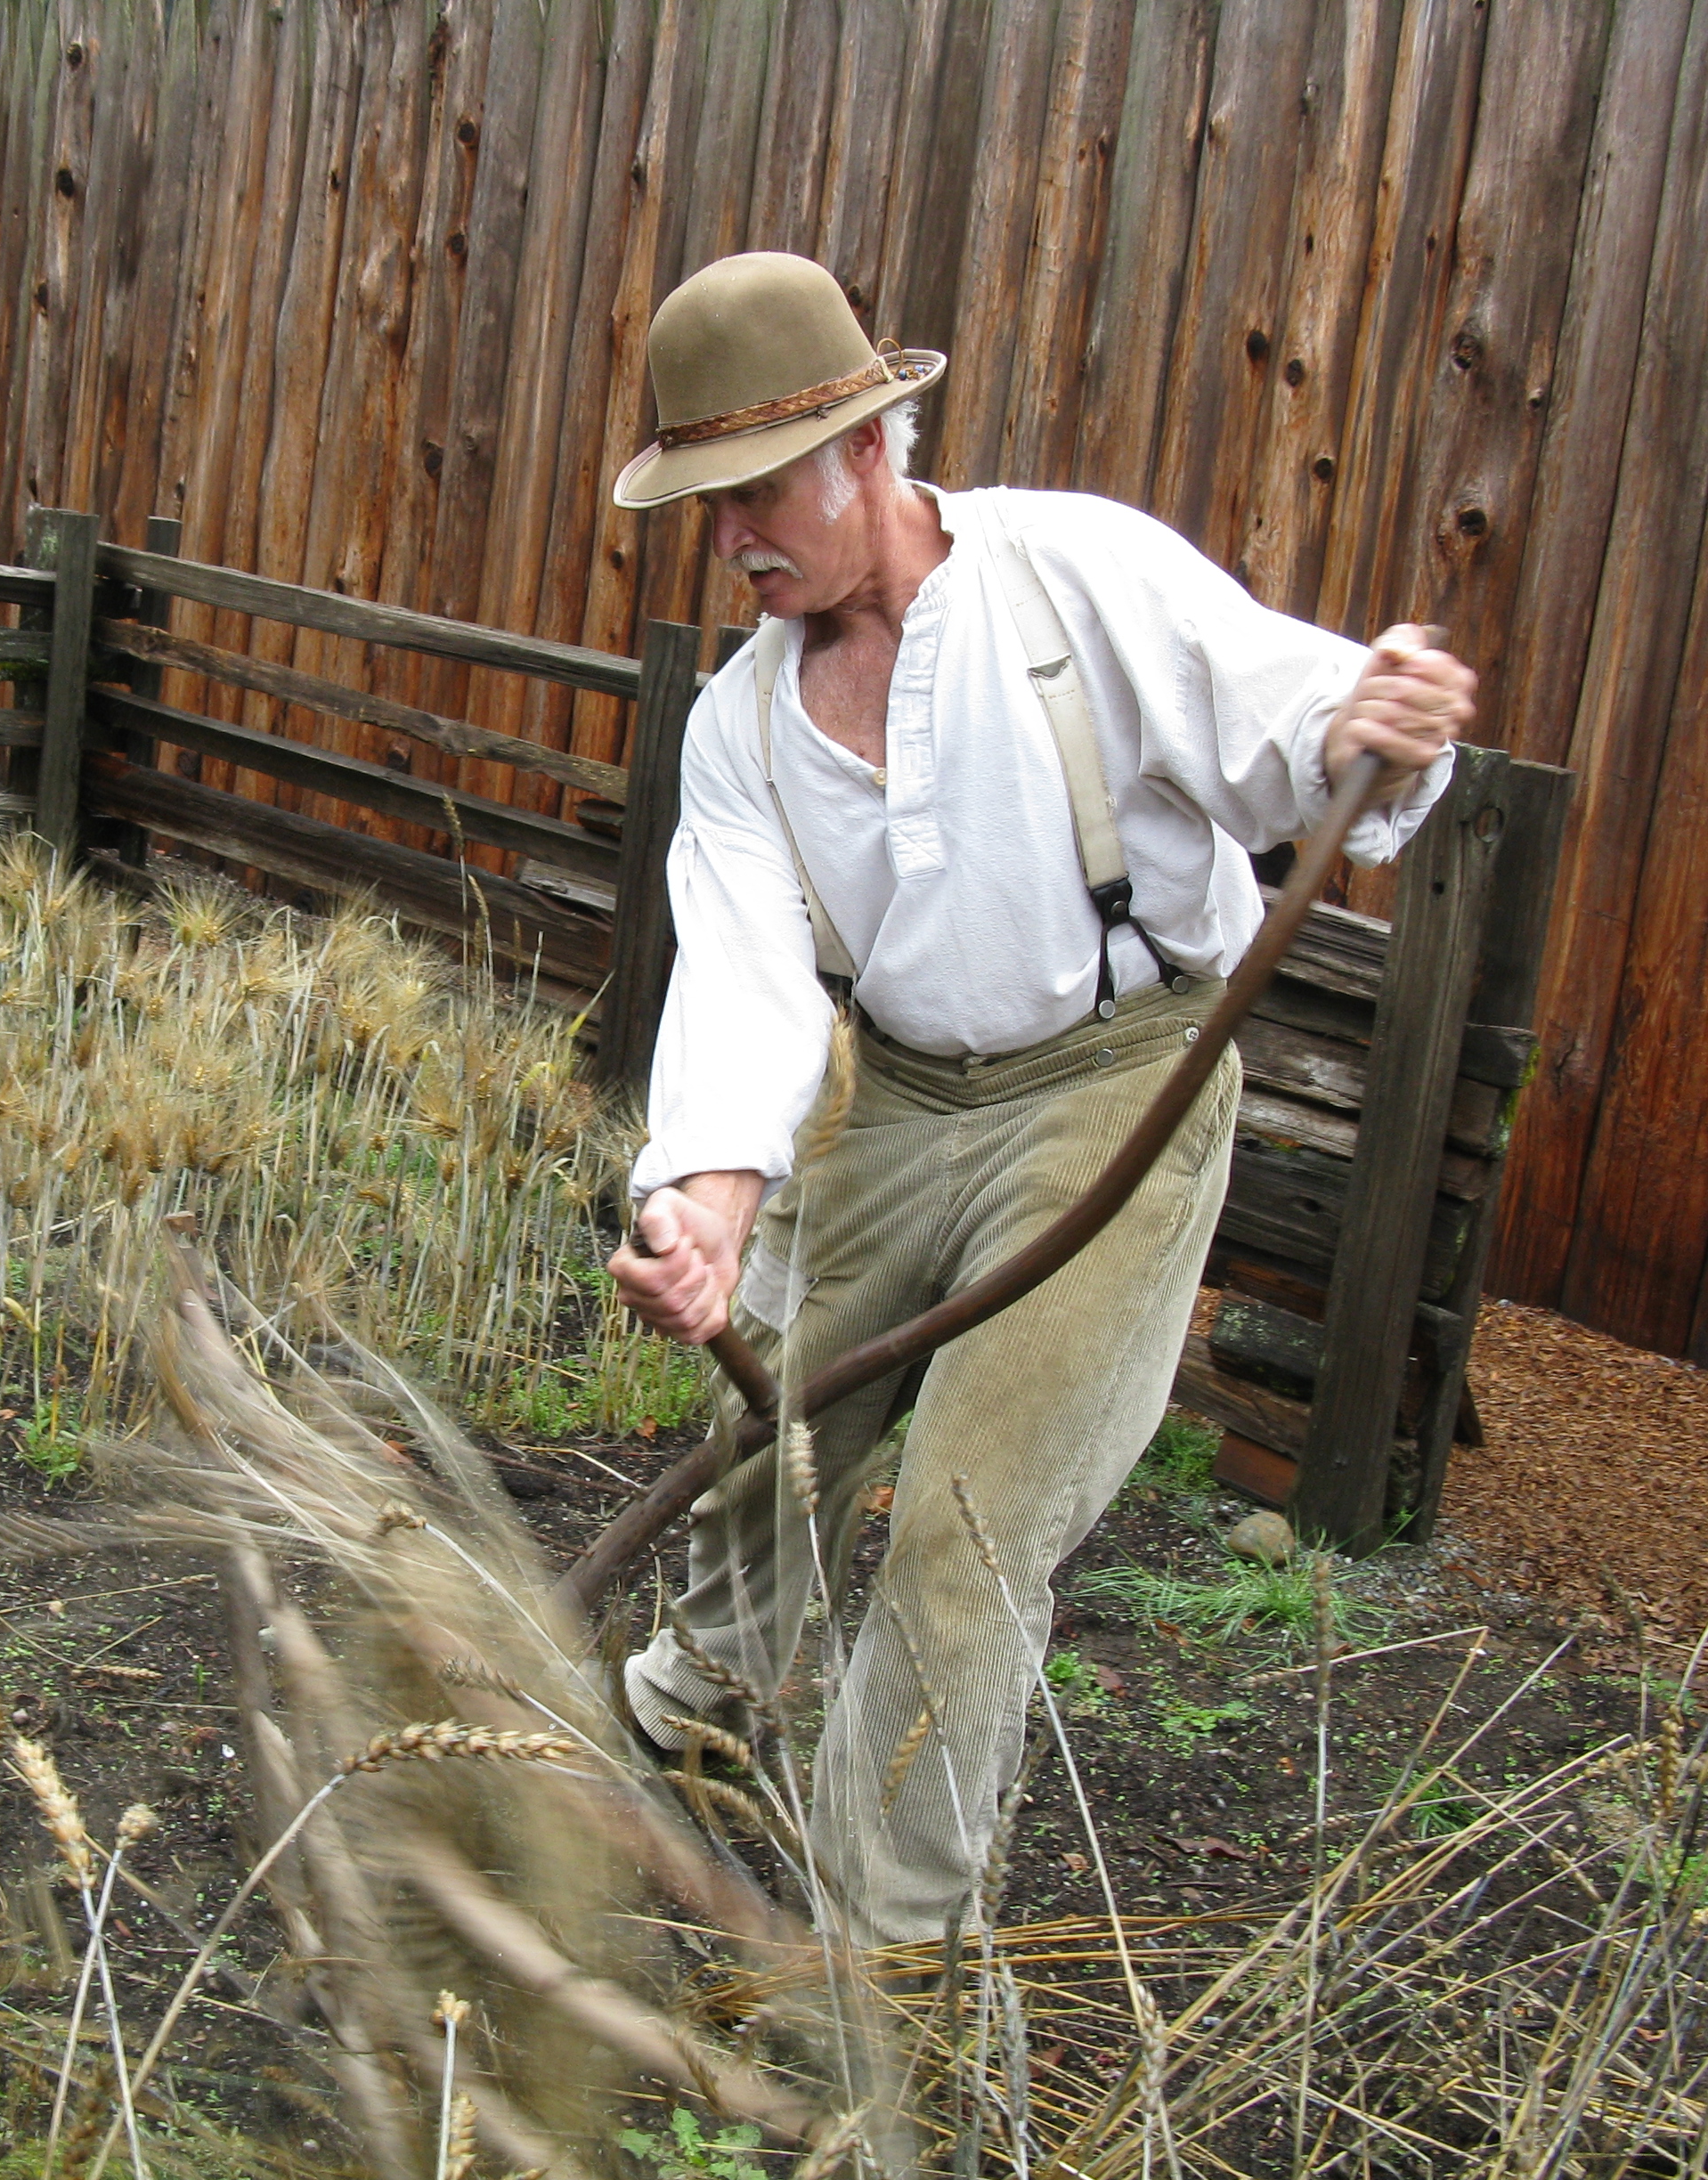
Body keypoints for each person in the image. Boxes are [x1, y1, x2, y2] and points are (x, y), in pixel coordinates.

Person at [599, 252, 1473, 1946]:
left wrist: (1373, 716)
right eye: (704, 506)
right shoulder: (741, 727)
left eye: (755, 493)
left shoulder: (1070, 577)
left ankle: (878, 1949)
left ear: (867, 450)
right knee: (771, 1414)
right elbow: (745, 980)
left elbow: (1280, 716)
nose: (731, 541)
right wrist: (708, 1204)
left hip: (1116, 1091)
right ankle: (705, 1691)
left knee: (963, 1534)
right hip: (903, 1100)